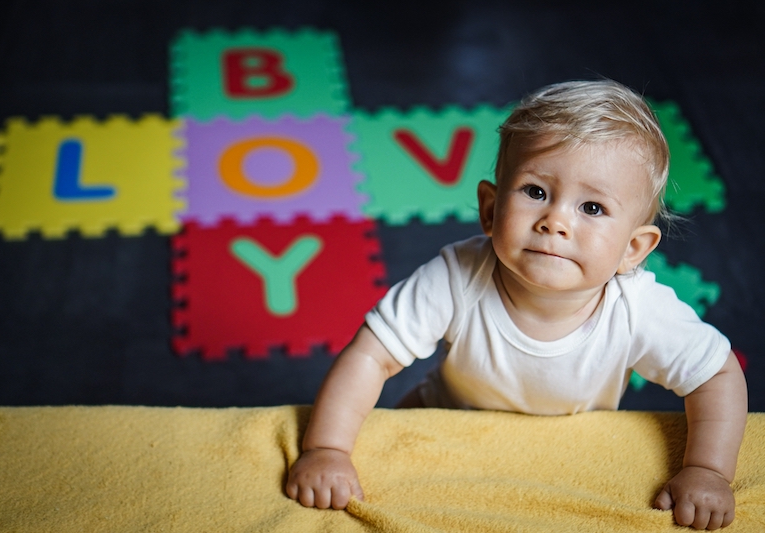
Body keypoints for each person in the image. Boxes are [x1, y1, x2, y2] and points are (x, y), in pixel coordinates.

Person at [285, 80, 748, 530]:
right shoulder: (457, 276)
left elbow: (716, 375)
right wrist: (327, 449)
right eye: (535, 192)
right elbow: (371, 356)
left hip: (568, 443)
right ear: (490, 209)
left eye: (592, 208)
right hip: (447, 418)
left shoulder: (638, 308)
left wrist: (707, 471)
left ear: (633, 249)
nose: (554, 221)